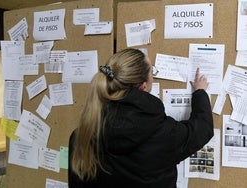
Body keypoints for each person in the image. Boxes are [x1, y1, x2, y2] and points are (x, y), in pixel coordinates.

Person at [68, 48, 214, 188]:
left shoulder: (82, 136)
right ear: (144, 86)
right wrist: (200, 92)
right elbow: (202, 129)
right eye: (152, 71)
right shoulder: (163, 134)